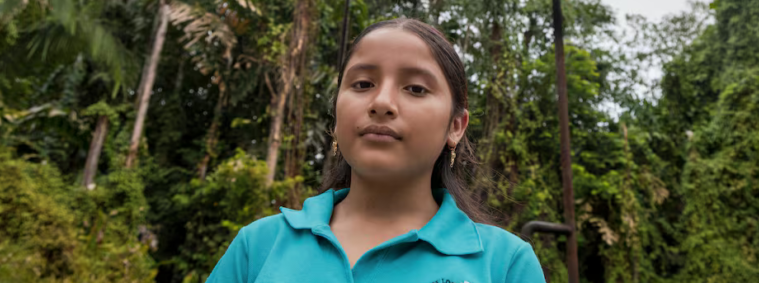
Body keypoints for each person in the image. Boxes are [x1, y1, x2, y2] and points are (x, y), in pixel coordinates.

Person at [207, 17, 548, 282]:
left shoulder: (505, 264)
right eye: (363, 84)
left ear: (455, 126)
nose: (381, 102)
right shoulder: (258, 246)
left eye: (416, 88)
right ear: (336, 117)